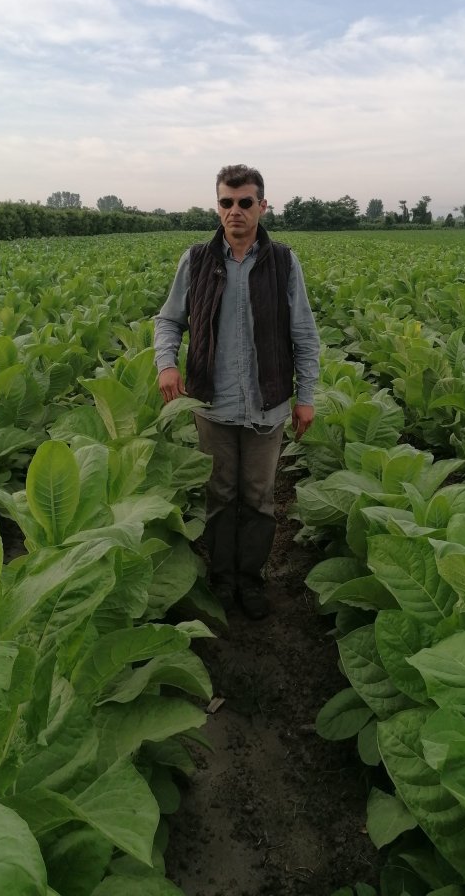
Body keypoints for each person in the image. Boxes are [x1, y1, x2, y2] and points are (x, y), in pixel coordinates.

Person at [153, 164, 320, 619]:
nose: (235, 211)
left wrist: (305, 396)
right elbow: (169, 320)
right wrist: (166, 364)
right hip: (213, 403)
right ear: (218, 207)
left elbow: (304, 334)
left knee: (260, 500)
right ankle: (222, 581)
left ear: (262, 206)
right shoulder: (196, 260)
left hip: (267, 405)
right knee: (221, 496)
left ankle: (251, 579)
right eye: (226, 202)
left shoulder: (283, 262)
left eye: (245, 202)